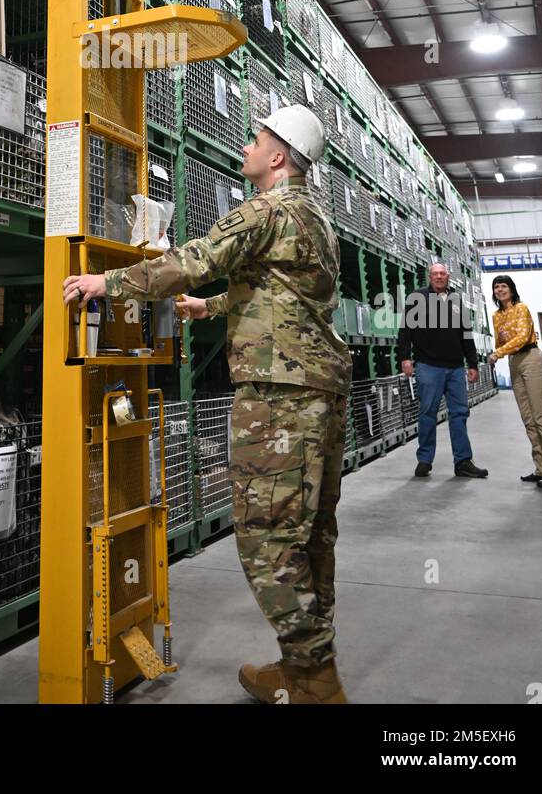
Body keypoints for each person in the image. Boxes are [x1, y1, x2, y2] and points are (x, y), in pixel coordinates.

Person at [62, 106, 352, 705]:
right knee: (310, 534)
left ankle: (317, 684)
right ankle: (302, 668)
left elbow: (191, 260)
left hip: (277, 399)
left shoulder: (263, 209)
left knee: (269, 538)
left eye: (256, 138)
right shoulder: (316, 218)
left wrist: (107, 284)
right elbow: (287, 296)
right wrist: (212, 308)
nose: (247, 146)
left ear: (278, 156)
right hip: (321, 391)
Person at [397, 262, 487, 479]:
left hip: (456, 367)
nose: (439, 277)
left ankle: (463, 461)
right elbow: (405, 331)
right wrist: (404, 358)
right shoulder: (416, 298)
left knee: (460, 413)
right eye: (435, 274)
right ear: (429, 277)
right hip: (428, 366)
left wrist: (472, 363)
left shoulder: (456, 300)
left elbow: (466, 334)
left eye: (442, 274)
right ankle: (425, 460)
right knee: (427, 413)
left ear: (448, 277)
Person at [489, 276, 542, 488]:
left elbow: (522, 338)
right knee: (528, 418)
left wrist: (498, 352)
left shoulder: (521, 308)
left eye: (504, 286)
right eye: (496, 287)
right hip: (514, 362)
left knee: (540, 416)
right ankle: (541, 468)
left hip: (531, 358)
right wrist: (500, 350)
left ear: (511, 290)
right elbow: (500, 342)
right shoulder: (496, 316)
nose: (500, 290)